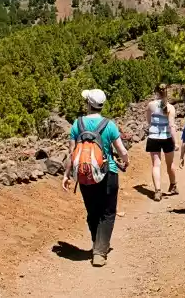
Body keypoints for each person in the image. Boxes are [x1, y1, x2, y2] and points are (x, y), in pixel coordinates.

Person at [62, 89, 129, 267]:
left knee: (93, 212)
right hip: (109, 172)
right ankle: (100, 251)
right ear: (102, 105)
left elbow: (72, 153)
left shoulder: (77, 124)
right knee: (108, 212)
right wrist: (126, 161)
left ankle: (97, 243)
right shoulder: (109, 125)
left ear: (88, 104)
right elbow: (122, 151)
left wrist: (67, 174)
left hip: (85, 174)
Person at [145, 83, 179, 201]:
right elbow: (171, 126)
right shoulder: (170, 108)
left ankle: (157, 191)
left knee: (156, 164)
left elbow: (149, 121)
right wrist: (176, 142)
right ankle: (173, 185)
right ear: (166, 92)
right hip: (167, 138)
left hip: (153, 137)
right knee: (170, 164)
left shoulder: (150, 105)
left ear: (156, 92)